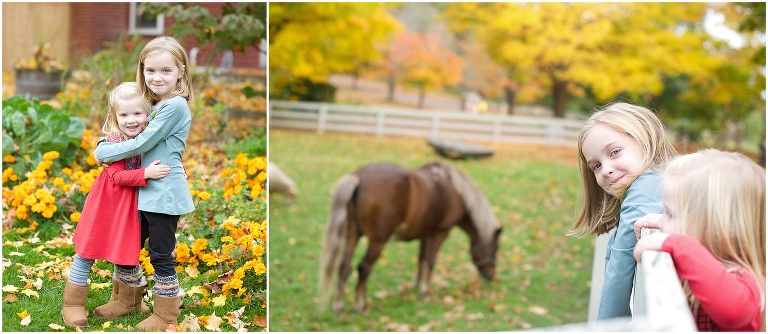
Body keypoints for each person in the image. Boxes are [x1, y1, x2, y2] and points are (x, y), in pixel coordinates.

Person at [93, 35, 194, 331]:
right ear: (142, 70)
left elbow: (141, 143)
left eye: (166, 70)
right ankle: (128, 300)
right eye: (150, 70)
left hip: (163, 192)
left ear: (180, 72)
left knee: (160, 253)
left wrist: (102, 151)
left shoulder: (174, 106)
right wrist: (107, 139)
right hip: (143, 189)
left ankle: (166, 315)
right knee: (128, 244)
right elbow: (125, 126)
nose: (157, 77)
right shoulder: (153, 103)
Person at [63, 82, 170, 329]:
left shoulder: (149, 138)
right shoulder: (112, 143)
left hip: (130, 207)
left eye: (137, 113)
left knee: (127, 251)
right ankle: (72, 304)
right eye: (124, 115)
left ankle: (128, 300)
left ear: (149, 116)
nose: (131, 120)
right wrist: (146, 174)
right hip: (105, 205)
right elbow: (117, 176)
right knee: (87, 251)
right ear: (114, 117)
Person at [633, 149, 765, 331]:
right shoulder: (700, 258)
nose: (662, 219)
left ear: (712, 228)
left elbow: (733, 313)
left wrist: (679, 244)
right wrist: (664, 222)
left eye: (670, 213)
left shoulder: (742, 278)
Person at [568, 102, 677, 321]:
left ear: (645, 140)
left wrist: (605, 327)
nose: (606, 169)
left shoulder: (644, 193)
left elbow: (619, 268)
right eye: (596, 166)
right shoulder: (657, 181)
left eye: (615, 152)